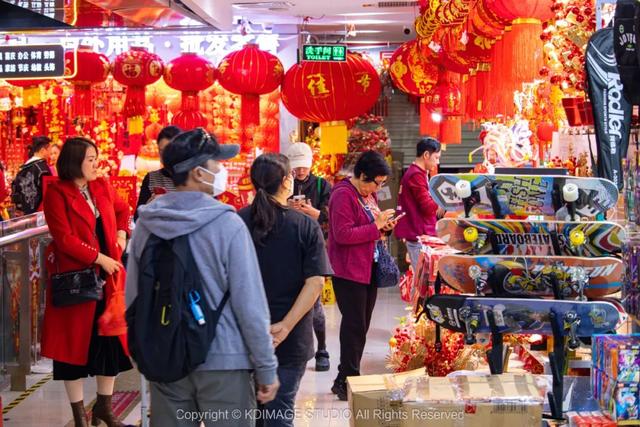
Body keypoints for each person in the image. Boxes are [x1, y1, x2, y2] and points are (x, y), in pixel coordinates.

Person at [126, 128, 279, 427]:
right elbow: (250, 306)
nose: (221, 169)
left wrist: (146, 350)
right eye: (216, 164)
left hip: (167, 360)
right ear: (198, 173)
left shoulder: (147, 224)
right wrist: (266, 368)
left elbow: (133, 298)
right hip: (224, 363)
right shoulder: (227, 224)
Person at [42, 136, 132, 427]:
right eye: (90, 159)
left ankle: (104, 408)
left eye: (96, 158)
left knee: (110, 342)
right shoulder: (56, 192)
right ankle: (80, 415)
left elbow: (123, 209)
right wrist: (99, 258)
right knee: (72, 349)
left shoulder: (101, 186)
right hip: (75, 281)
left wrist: (121, 234)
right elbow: (64, 238)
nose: (96, 164)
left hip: (108, 279)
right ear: (74, 161)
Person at [238, 153, 332, 427]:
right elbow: (315, 282)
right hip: (291, 340)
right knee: (280, 414)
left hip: (244, 335)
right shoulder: (304, 225)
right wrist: (286, 326)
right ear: (287, 181)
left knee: (249, 416)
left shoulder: (236, 222)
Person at [327, 150, 398, 401]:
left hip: (368, 266)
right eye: (375, 182)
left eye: (381, 183)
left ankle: (343, 378)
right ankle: (348, 379)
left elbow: (371, 227)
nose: (377, 188)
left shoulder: (367, 194)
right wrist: (376, 226)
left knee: (361, 325)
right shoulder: (343, 195)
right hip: (348, 270)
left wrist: (383, 228)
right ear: (362, 175)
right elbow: (343, 234)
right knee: (354, 325)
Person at [284, 142, 332, 372]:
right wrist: (287, 208)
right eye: (296, 167)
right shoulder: (284, 183)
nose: (300, 171)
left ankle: (322, 349)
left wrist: (315, 213)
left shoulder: (322, 185)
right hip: (288, 244)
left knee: (315, 304)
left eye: (303, 167)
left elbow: (331, 216)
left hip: (314, 245)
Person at [395, 137, 443, 272]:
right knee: (422, 281)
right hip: (419, 235)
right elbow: (427, 207)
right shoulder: (415, 175)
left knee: (424, 279)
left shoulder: (419, 173)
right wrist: (441, 202)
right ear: (426, 155)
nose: (438, 162)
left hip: (420, 233)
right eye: (436, 157)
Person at [134, 125, 181, 220]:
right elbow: (137, 218)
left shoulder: (192, 176)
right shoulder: (152, 178)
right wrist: (148, 205)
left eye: (170, 151)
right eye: (162, 151)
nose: (166, 156)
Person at [11, 135, 52, 214]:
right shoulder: (42, 168)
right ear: (43, 150)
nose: (50, 153)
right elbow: (49, 194)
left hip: (25, 214)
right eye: (49, 150)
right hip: (40, 213)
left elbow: (15, 189)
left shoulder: (22, 169)